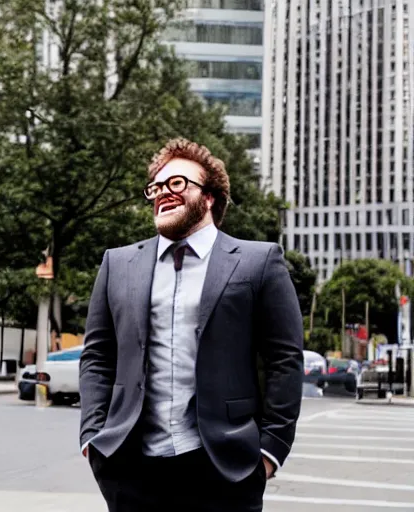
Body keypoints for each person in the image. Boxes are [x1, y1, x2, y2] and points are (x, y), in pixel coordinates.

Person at [79, 138, 304, 512]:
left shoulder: (258, 262)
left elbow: (285, 359)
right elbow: (98, 356)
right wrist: (92, 435)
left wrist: (270, 451)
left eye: (177, 183)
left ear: (210, 197)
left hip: (225, 468)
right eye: (156, 187)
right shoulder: (117, 264)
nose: (163, 193)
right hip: (131, 468)